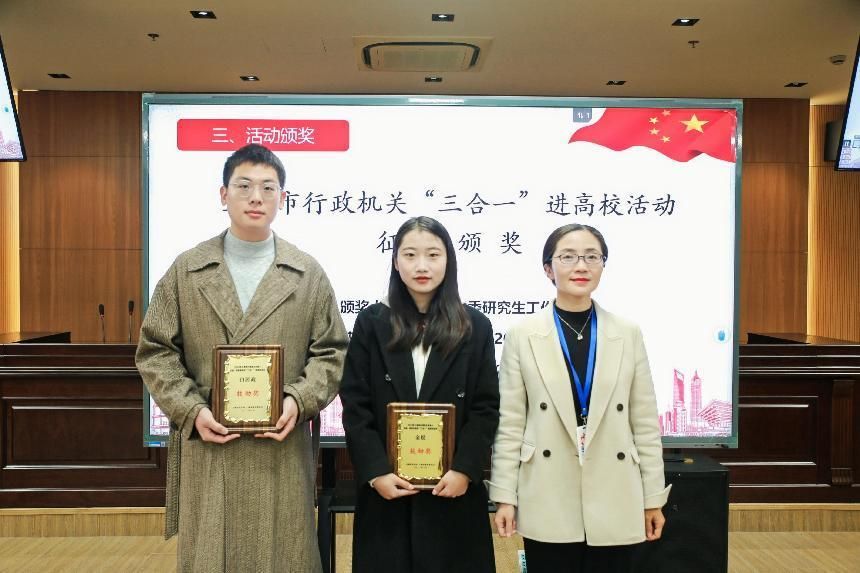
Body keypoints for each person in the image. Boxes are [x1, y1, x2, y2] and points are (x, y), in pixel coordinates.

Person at [136, 143, 347, 572]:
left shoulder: (307, 273)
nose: (256, 197)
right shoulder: (188, 269)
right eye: (244, 186)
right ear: (223, 194)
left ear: (282, 198)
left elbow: (332, 352)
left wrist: (298, 400)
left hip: (280, 446)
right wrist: (192, 410)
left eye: (268, 188)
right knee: (213, 554)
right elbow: (156, 351)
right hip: (211, 441)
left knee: (283, 554)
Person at [488, 223, 671, 573]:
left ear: (603, 265)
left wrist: (652, 498)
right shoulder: (522, 335)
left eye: (592, 256)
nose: (581, 266)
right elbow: (510, 424)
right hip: (547, 486)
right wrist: (505, 497)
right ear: (548, 268)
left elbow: (645, 422)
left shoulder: (627, 333)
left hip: (614, 485)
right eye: (568, 257)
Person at [340, 216, 500, 573]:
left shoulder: (475, 326)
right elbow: (356, 403)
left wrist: (464, 469)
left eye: (433, 254)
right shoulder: (372, 323)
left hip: (452, 489)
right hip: (388, 491)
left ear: (449, 260)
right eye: (410, 255)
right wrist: (376, 472)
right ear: (396, 262)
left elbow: (486, 406)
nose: (422, 266)